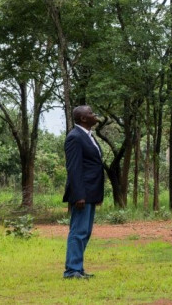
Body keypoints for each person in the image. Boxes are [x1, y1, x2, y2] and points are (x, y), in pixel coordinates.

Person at [63, 105, 104, 279]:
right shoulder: (75, 137)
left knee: (85, 231)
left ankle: (78, 268)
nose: (94, 115)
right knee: (78, 231)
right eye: (90, 113)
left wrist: (96, 194)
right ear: (83, 119)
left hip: (91, 192)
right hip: (82, 193)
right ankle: (72, 270)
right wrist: (79, 194)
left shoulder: (88, 136)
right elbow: (74, 168)